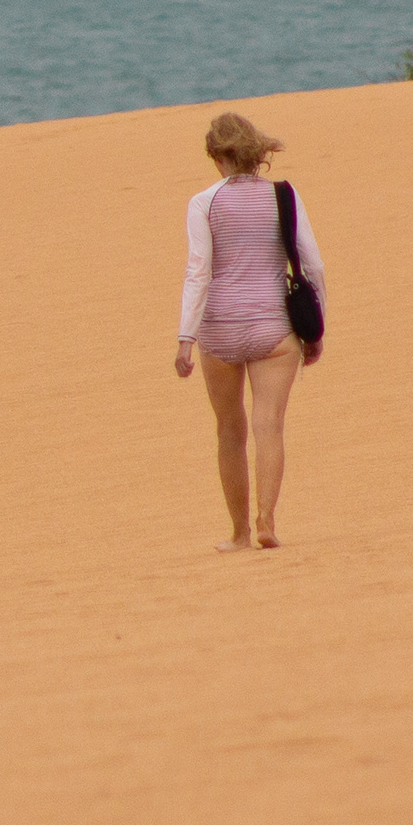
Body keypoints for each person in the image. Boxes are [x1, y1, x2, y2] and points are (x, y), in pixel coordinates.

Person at [172, 110, 326, 551]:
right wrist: (316, 329)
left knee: (229, 430)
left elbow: (198, 272)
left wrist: (185, 338)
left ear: (217, 157)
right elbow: (313, 264)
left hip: (219, 330)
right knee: (269, 425)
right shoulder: (284, 195)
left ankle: (239, 533)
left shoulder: (204, 202)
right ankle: (266, 521)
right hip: (273, 328)